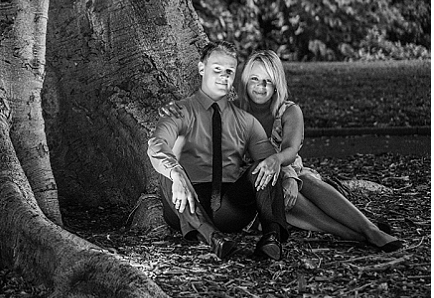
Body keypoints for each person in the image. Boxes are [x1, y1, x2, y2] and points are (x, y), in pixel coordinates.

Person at [238, 50, 402, 252]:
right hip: (257, 186)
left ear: (276, 84)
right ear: (245, 80)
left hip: (289, 168)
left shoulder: (289, 111)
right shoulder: (237, 113)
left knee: (306, 181)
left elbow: (290, 149)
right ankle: (353, 234)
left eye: (268, 81)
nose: (260, 87)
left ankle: (370, 229)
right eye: (254, 79)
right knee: (281, 190)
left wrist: (287, 175)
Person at [147, 41, 289, 261]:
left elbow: (269, 160)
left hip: (228, 208)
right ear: (202, 68)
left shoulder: (245, 121)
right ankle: (211, 237)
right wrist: (176, 175)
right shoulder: (179, 111)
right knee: (169, 170)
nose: (223, 76)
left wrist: (281, 171)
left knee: (267, 165)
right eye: (216, 69)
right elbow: (156, 144)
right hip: (184, 205)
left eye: (229, 71)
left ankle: (272, 238)